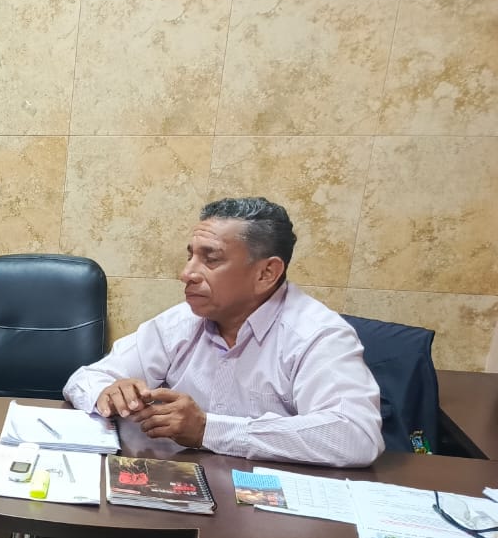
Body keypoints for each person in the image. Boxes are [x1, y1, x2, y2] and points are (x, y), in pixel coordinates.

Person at [64, 197, 384, 468]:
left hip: (265, 508)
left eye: (210, 259)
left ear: (266, 273)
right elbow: (83, 379)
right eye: (190, 255)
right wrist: (108, 393)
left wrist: (208, 430)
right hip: (179, 493)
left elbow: (356, 435)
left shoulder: (317, 334)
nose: (186, 273)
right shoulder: (182, 321)